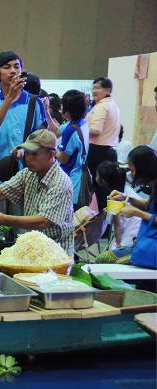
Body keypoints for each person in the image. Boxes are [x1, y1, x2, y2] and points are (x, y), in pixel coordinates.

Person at [0, 129, 75, 256]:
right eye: (27, 153)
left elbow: (43, 221)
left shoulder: (60, 182)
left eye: (34, 154)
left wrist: (5, 219)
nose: (28, 158)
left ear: (50, 155)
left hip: (56, 254)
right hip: (34, 249)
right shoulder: (28, 174)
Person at [0, 51, 48, 215]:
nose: (13, 71)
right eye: (7, 67)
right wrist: (9, 99)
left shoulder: (34, 101)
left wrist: (26, 149)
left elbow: (42, 138)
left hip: (28, 176)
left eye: (16, 66)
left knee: (23, 232)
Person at [104, 146, 157, 267]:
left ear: (144, 168)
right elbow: (149, 206)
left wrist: (136, 212)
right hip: (145, 243)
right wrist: (127, 198)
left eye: (133, 171)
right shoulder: (154, 185)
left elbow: (147, 211)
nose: (131, 175)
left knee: (103, 259)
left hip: (151, 249)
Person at [86, 77, 120, 211]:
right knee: (108, 191)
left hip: (98, 151)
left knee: (99, 190)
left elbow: (95, 131)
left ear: (108, 90)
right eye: (93, 88)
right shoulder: (113, 105)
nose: (94, 91)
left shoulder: (102, 106)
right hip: (110, 150)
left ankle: (101, 225)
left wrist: (79, 129)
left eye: (98, 88)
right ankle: (109, 223)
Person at [94, 162, 141, 260]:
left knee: (111, 258)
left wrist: (118, 244)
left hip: (132, 234)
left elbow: (117, 224)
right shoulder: (125, 189)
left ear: (103, 181)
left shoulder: (114, 197)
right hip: (139, 230)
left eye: (97, 175)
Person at [56, 90, 89, 208]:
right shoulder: (82, 123)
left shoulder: (70, 131)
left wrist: (52, 149)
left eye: (62, 104)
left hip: (69, 179)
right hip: (79, 176)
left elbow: (63, 159)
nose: (61, 107)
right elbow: (56, 130)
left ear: (69, 108)